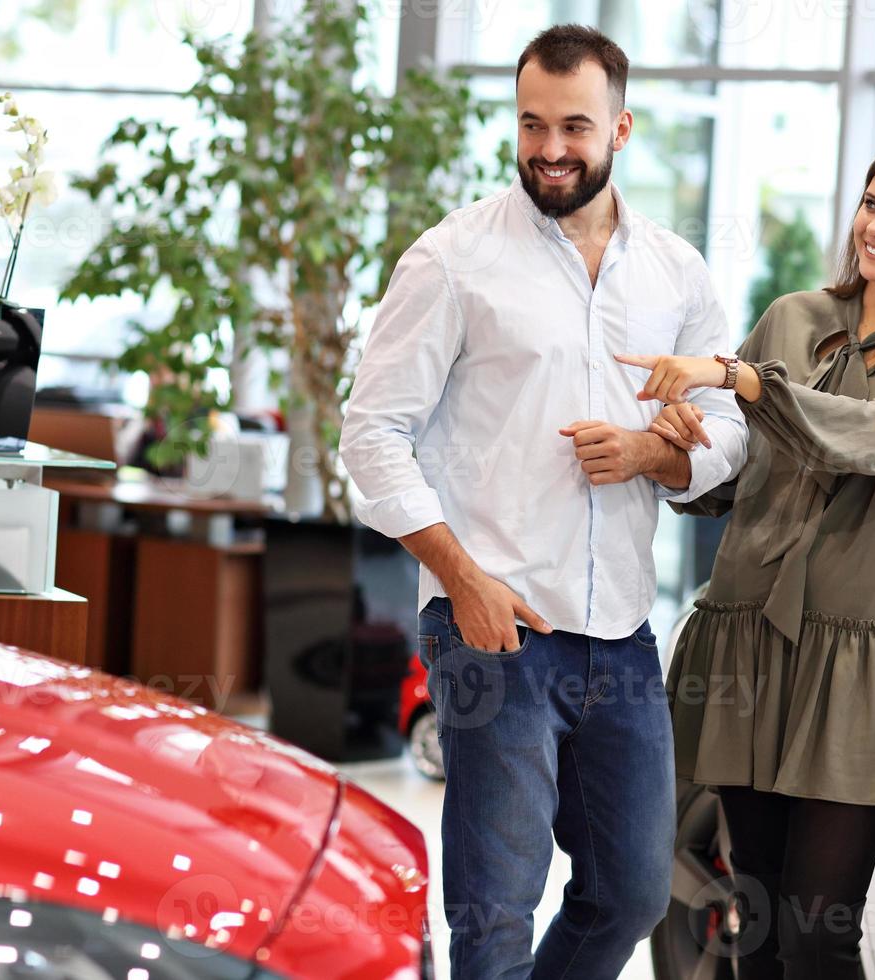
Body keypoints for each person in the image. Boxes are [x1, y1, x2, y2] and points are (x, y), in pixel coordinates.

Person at [339, 24, 749, 980]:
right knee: (495, 914)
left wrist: (657, 451)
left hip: (620, 630)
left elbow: (730, 431)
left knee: (635, 891)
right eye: (531, 124)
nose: (550, 149)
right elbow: (371, 434)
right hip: (497, 622)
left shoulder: (676, 273)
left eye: (573, 125)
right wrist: (461, 580)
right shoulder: (451, 260)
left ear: (622, 128)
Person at [616, 134, 875, 978]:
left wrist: (743, 382)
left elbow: (873, 437)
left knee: (820, 931)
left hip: (855, 656)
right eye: (872, 205)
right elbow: (736, 472)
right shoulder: (794, 317)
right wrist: (684, 443)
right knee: (752, 918)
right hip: (748, 637)